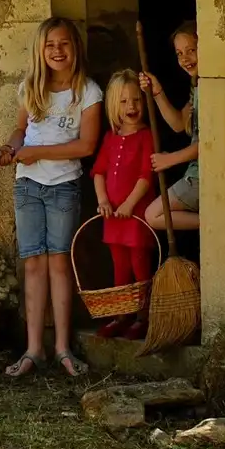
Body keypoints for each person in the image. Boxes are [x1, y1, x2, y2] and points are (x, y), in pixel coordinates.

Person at [0, 16, 101, 378]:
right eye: (50, 45)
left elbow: (86, 146)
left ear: (75, 48)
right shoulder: (31, 88)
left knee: (59, 264)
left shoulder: (88, 91)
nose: (57, 51)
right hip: (27, 186)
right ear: (40, 51)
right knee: (33, 264)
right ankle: (33, 349)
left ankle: (62, 349)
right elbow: (20, 130)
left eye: (64, 44)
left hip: (63, 187)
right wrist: (11, 147)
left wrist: (38, 154)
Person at [90, 70, 156, 341]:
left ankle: (144, 316)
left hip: (136, 213)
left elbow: (145, 176)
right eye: (124, 101)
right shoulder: (110, 138)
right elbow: (99, 172)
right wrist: (103, 201)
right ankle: (121, 314)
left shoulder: (146, 136)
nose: (132, 107)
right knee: (119, 265)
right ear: (114, 105)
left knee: (140, 263)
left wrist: (129, 204)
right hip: (114, 215)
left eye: (137, 101)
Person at [139, 21, 200, 233]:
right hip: (195, 174)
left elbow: (208, 144)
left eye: (192, 50)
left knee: (153, 215)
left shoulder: (211, 88)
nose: (185, 58)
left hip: (202, 176)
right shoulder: (197, 86)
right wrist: (157, 92)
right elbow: (178, 124)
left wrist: (170, 159)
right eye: (179, 53)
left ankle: (214, 223)